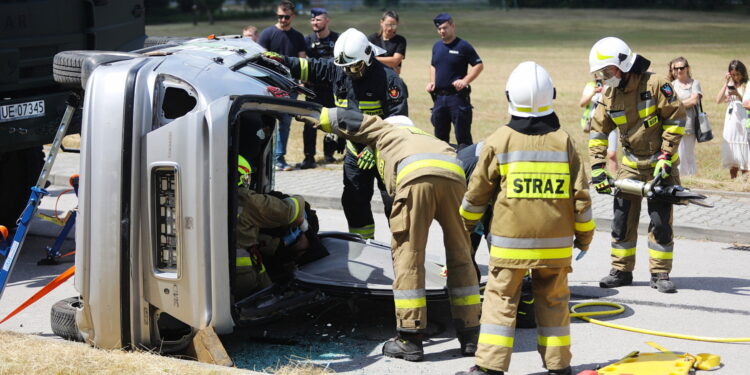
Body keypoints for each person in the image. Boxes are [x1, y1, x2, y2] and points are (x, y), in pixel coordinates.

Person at [297, 108, 481, 362]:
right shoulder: (430, 138)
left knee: (409, 257)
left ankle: (410, 338)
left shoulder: (388, 130)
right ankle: (471, 334)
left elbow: (346, 119)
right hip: (455, 178)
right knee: (461, 256)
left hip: (416, 179)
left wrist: (309, 112)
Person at [456, 62, 593, 375]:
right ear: (552, 96)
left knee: (501, 300)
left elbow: (476, 195)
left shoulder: (499, 140)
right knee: (554, 302)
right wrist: (584, 238)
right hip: (555, 248)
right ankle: (559, 368)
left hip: (509, 246)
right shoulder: (565, 141)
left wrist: (462, 230)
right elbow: (581, 198)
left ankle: (489, 369)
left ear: (509, 97)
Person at [264, 28, 408, 240]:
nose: (350, 72)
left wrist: (375, 148)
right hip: (354, 152)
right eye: (346, 68)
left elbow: (398, 123)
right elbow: (309, 67)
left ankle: (402, 250)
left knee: (394, 204)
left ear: (367, 56)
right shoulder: (339, 70)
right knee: (353, 202)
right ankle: (363, 243)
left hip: (384, 153)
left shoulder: (389, 81)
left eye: (355, 66)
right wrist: (280, 61)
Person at [588, 37, 686, 294]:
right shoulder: (609, 94)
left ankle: (660, 272)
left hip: (659, 165)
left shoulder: (656, 85)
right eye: (602, 73)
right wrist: (598, 167)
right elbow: (598, 131)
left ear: (624, 65)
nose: (604, 77)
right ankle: (621, 270)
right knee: (622, 219)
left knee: (660, 220)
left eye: (607, 71)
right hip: (630, 165)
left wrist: (666, 156)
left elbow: (675, 119)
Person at [235, 155, 307, 299]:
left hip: (220, 269)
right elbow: (288, 212)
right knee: (272, 301)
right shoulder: (245, 198)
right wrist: (301, 203)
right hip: (243, 274)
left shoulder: (201, 193)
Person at [258, 0, 307, 171]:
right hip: (270, 85)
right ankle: (263, 158)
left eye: (286, 17)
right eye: (280, 16)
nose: (283, 20)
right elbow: (261, 60)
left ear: (292, 16)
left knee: (285, 122)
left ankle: (279, 158)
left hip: (290, 86)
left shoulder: (298, 37)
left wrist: (301, 80)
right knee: (266, 121)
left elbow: (302, 60)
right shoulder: (267, 34)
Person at [427, 13, 483, 148]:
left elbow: (478, 65)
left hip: (457, 98)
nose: (442, 31)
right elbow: (433, 65)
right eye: (439, 29)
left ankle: (467, 166)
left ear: (453, 26)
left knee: (462, 137)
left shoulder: (463, 46)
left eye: (445, 28)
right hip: (439, 98)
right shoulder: (437, 47)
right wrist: (432, 81)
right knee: (440, 139)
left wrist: (465, 81)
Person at [297, 7, 340, 169]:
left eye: (318, 19)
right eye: (313, 20)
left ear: (327, 20)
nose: (315, 22)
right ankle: (309, 157)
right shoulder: (306, 41)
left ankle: (329, 154)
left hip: (331, 88)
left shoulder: (337, 39)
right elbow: (302, 62)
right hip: (313, 89)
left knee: (331, 122)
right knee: (310, 123)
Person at [715, 60, 749, 179]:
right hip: (731, 122)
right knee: (732, 153)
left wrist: (737, 94)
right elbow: (718, 100)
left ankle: (745, 181)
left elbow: (746, 102)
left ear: (743, 73)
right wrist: (726, 83)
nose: (736, 77)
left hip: (743, 120)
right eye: (733, 74)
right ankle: (733, 179)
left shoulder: (746, 85)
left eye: (738, 74)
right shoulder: (730, 84)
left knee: (744, 151)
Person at [669, 57, 703, 176]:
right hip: (675, 124)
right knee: (677, 154)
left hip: (689, 124)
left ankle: (690, 179)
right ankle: (679, 179)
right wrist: (681, 104)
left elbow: (694, 100)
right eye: (676, 68)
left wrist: (677, 105)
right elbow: (668, 104)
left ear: (687, 68)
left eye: (681, 68)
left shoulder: (695, 83)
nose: (679, 71)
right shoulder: (672, 85)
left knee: (688, 154)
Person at [579, 80, 618, 174]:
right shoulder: (591, 85)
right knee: (597, 152)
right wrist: (593, 92)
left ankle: (615, 180)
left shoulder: (613, 85)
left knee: (611, 154)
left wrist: (604, 91)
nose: (598, 76)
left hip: (611, 122)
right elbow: (582, 104)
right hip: (595, 124)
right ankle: (600, 177)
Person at [367, 10, 406, 75]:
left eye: (393, 25)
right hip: (373, 78)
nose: (390, 28)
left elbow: (395, 61)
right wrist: (389, 61)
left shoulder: (400, 40)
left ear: (397, 24)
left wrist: (373, 59)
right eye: (387, 25)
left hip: (391, 80)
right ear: (381, 22)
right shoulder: (371, 39)